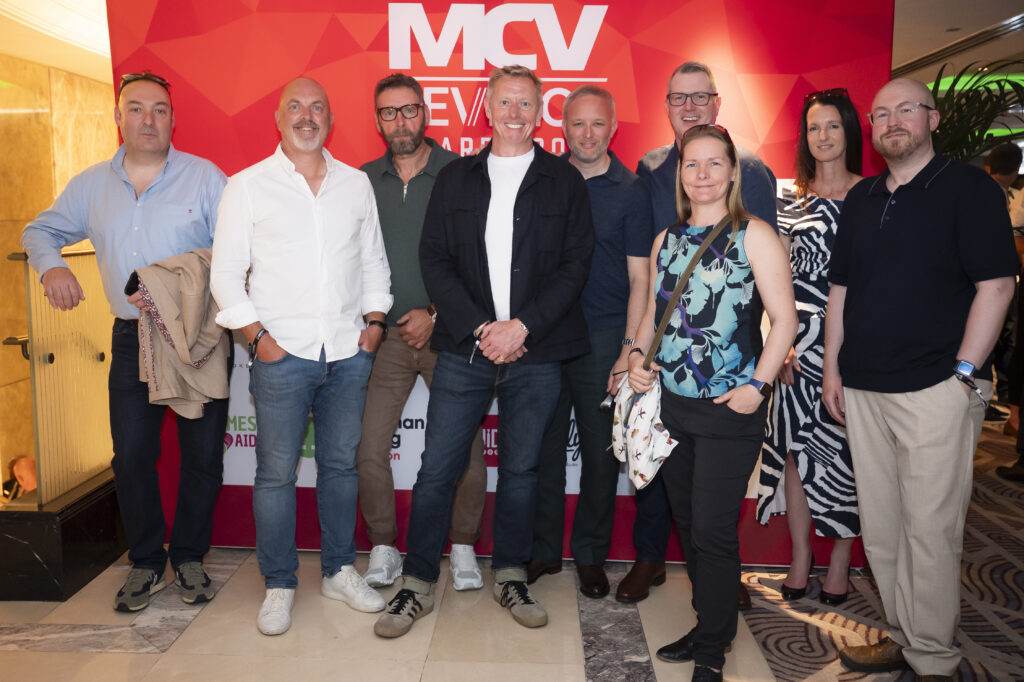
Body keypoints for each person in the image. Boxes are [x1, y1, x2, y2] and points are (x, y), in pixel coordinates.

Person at [373, 65, 594, 638]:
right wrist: (480, 328)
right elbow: (435, 260)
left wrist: (521, 327)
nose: (514, 113)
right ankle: (418, 582)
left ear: (539, 111)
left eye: (525, 103)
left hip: (535, 352)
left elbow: (576, 265)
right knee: (437, 470)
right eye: (505, 103)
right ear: (488, 109)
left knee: (521, 471)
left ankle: (512, 575)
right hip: (464, 350)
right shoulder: (457, 179)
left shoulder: (563, 181)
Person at [824, 78, 1017, 680]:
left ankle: (933, 659)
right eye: (881, 113)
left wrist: (964, 373)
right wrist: (832, 367)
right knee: (882, 528)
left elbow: (997, 285)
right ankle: (905, 636)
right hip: (863, 387)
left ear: (932, 119)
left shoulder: (969, 190)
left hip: (937, 388)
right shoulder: (862, 197)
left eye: (906, 109)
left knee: (930, 530)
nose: (892, 121)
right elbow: (840, 291)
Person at [21, 70, 229, 612]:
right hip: (131, 338)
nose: (148, 119)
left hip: (195, 339)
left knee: (202, 456)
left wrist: (175, 285)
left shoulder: (206, 179)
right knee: (132, 456)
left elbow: (239, 253)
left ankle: (189, 557)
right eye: (136, 108)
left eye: (159, 109)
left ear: (173, 119)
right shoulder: (91, 185)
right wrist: (51, 267)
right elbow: (38, 231)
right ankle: (146, 562)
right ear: (119, 118)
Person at [210, 77, 392, 636]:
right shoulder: (247, 186)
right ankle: (279, 582)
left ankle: (338, 570)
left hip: (347, 352)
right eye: (296, 106)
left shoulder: (355, 184)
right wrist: (258, 338)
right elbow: (225, 276)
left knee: (340, 467)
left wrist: (375, 324)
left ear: (330, 120)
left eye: (317, 107)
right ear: (278, 118)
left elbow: (373, 262)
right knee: (275, 474)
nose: (306, 116)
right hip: (280, 356)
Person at [627, 123, 797, 682]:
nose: (702, 174)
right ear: (680, 173)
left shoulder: (755, 235)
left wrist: (758, 387)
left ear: (732, 171)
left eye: (714, 163)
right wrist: (638, 357)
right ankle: (712, 626)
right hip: (674, 408)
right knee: (689, 522)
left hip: (731, 409)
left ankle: (710, 653)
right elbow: (654, 315)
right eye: (691, 164)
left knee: (713, 530)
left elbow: (786, 321)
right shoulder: (666, 240)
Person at [618, 61, 779, 610]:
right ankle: (661, 564)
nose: (688, 107)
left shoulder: (754, 176)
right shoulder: (650, 169)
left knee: (712, 511)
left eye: (699, 97)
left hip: (730, 369)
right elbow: (652, 287)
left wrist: (764, 369)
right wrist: (635, 353)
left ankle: (718, 589)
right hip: (670, 369)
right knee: (673, 491)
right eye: (678, 98)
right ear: (666, 106)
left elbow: (768, 284)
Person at [356, 73, 487, 591]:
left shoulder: (462, 172)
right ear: (378, 120)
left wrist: (435, 311)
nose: (400, 121)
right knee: (368, 447)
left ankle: (463, 545)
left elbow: (480, 258)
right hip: (385, 335)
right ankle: (384, 546)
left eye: (409, 110)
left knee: (465, 449)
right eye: (389, 112)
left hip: (449, 333)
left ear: (425, 112)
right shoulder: (362, 180)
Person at [529, 86, 654, 598]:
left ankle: (589, 555)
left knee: (602, 456)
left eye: (597, 123)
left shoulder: (632, 191)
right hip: (543, 334)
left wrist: (627, 349)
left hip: (603, 336)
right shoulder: (542, 180)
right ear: (562, 127)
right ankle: (542, 551)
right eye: (577, 123)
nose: (587, 134)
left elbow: (641, 279)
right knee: (542, 448)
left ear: (613, 127)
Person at [756, 88, 862, 605]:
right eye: (814, 127)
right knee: (796, 452)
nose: (822, 136)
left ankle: (840, 561)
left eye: (833, 126)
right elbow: (771, 278)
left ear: (849, 131)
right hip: (796, 344)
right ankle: (801, 557)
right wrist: (780, 344)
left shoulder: (873, 195)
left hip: (855, 343)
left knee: (847, 455)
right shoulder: (786, 199)